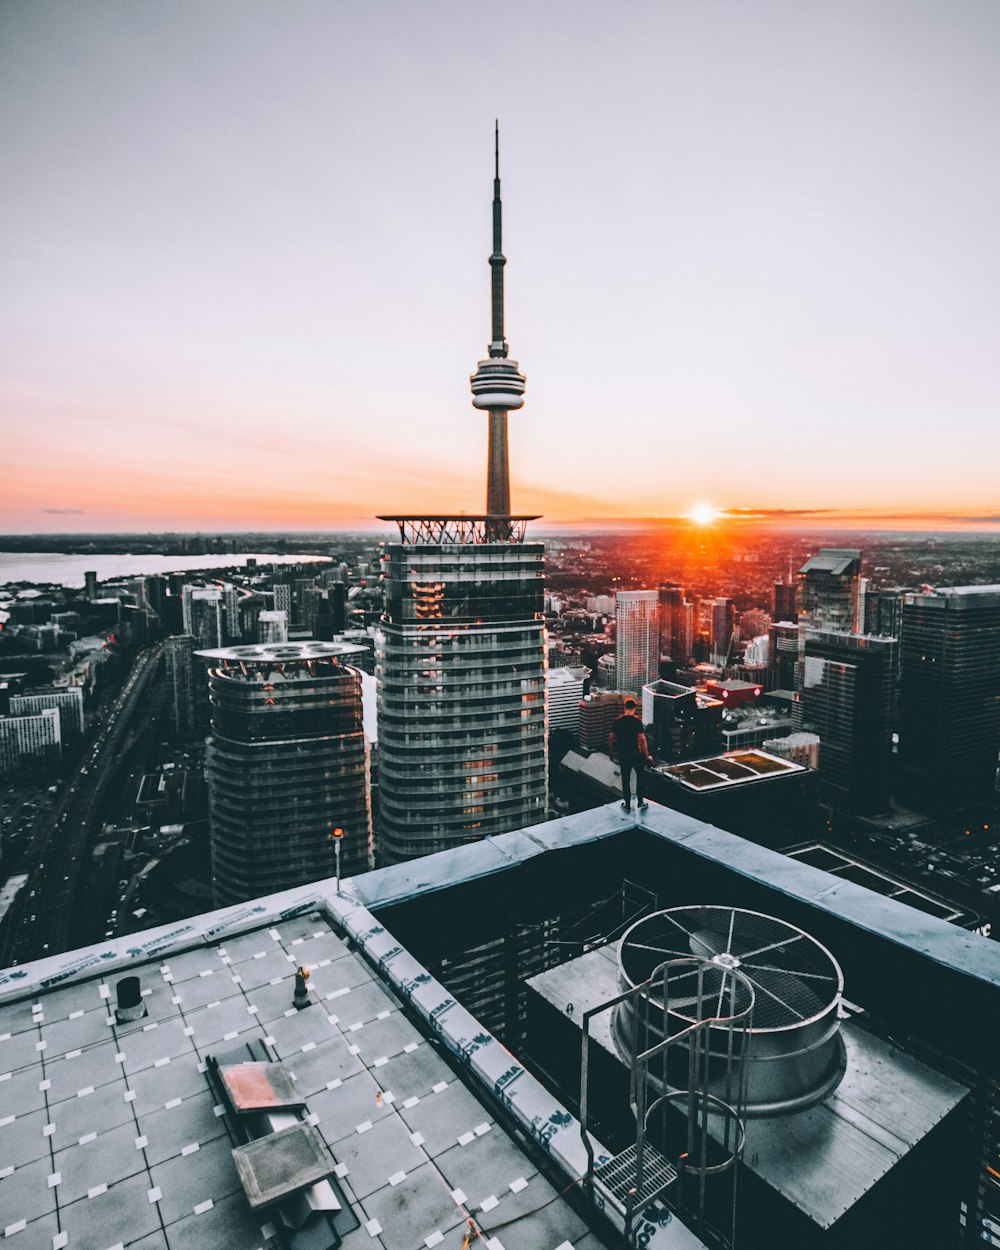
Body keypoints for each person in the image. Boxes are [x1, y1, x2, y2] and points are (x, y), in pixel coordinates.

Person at [608, 697, 653, 810]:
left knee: (625, 780)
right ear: (634, 708)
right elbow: (642, 739)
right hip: (635, 753)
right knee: (641, 777)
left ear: (624, 707)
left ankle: (627, 804)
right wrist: (647, 755)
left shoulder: (618, 721)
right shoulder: (637, 721)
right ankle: (640, 802)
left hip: (623, 754)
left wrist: (611, 752)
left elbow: (611, 738)